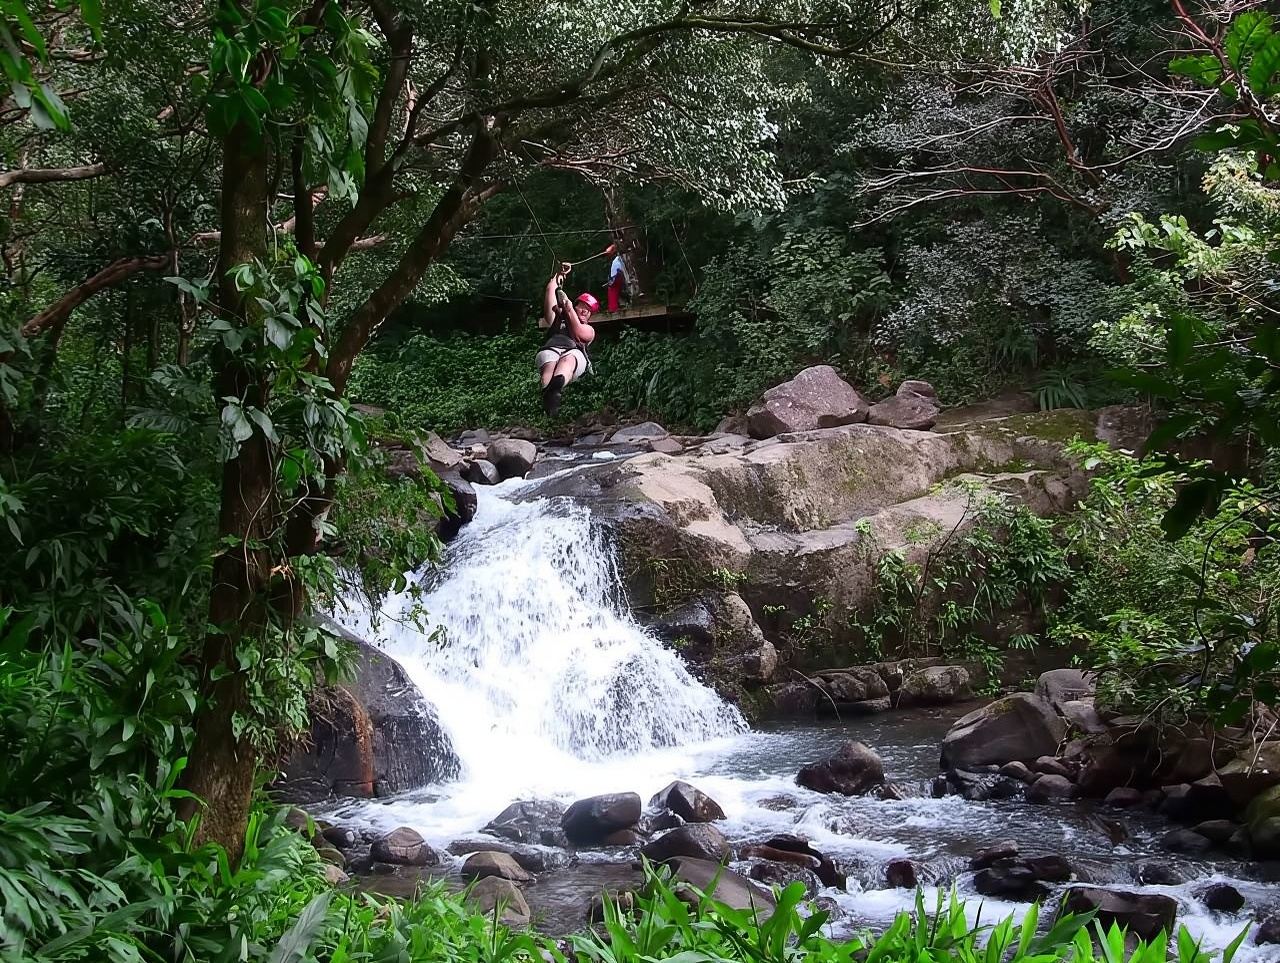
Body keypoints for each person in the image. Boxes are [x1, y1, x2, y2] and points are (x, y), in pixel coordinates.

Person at [536, 262, 598, 415]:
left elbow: (578, 333)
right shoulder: (557, 317)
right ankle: (549, 397)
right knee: (549, 364)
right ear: (576, 306)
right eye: (582, 306)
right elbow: (551, 290)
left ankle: (555, 390)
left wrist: (568, 309)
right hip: (551, 348)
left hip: (573, 352)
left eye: (588, 310)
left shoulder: (589, 330)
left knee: (568, 360)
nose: (584, 311)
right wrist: (559, 275)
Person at [607, 246, 627, 311]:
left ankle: (613, 308)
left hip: (618, 274)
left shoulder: (620, 257)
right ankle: (615, 307)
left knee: (613, 289)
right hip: (617, 274)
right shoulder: (617, 258)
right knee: (614, 288)